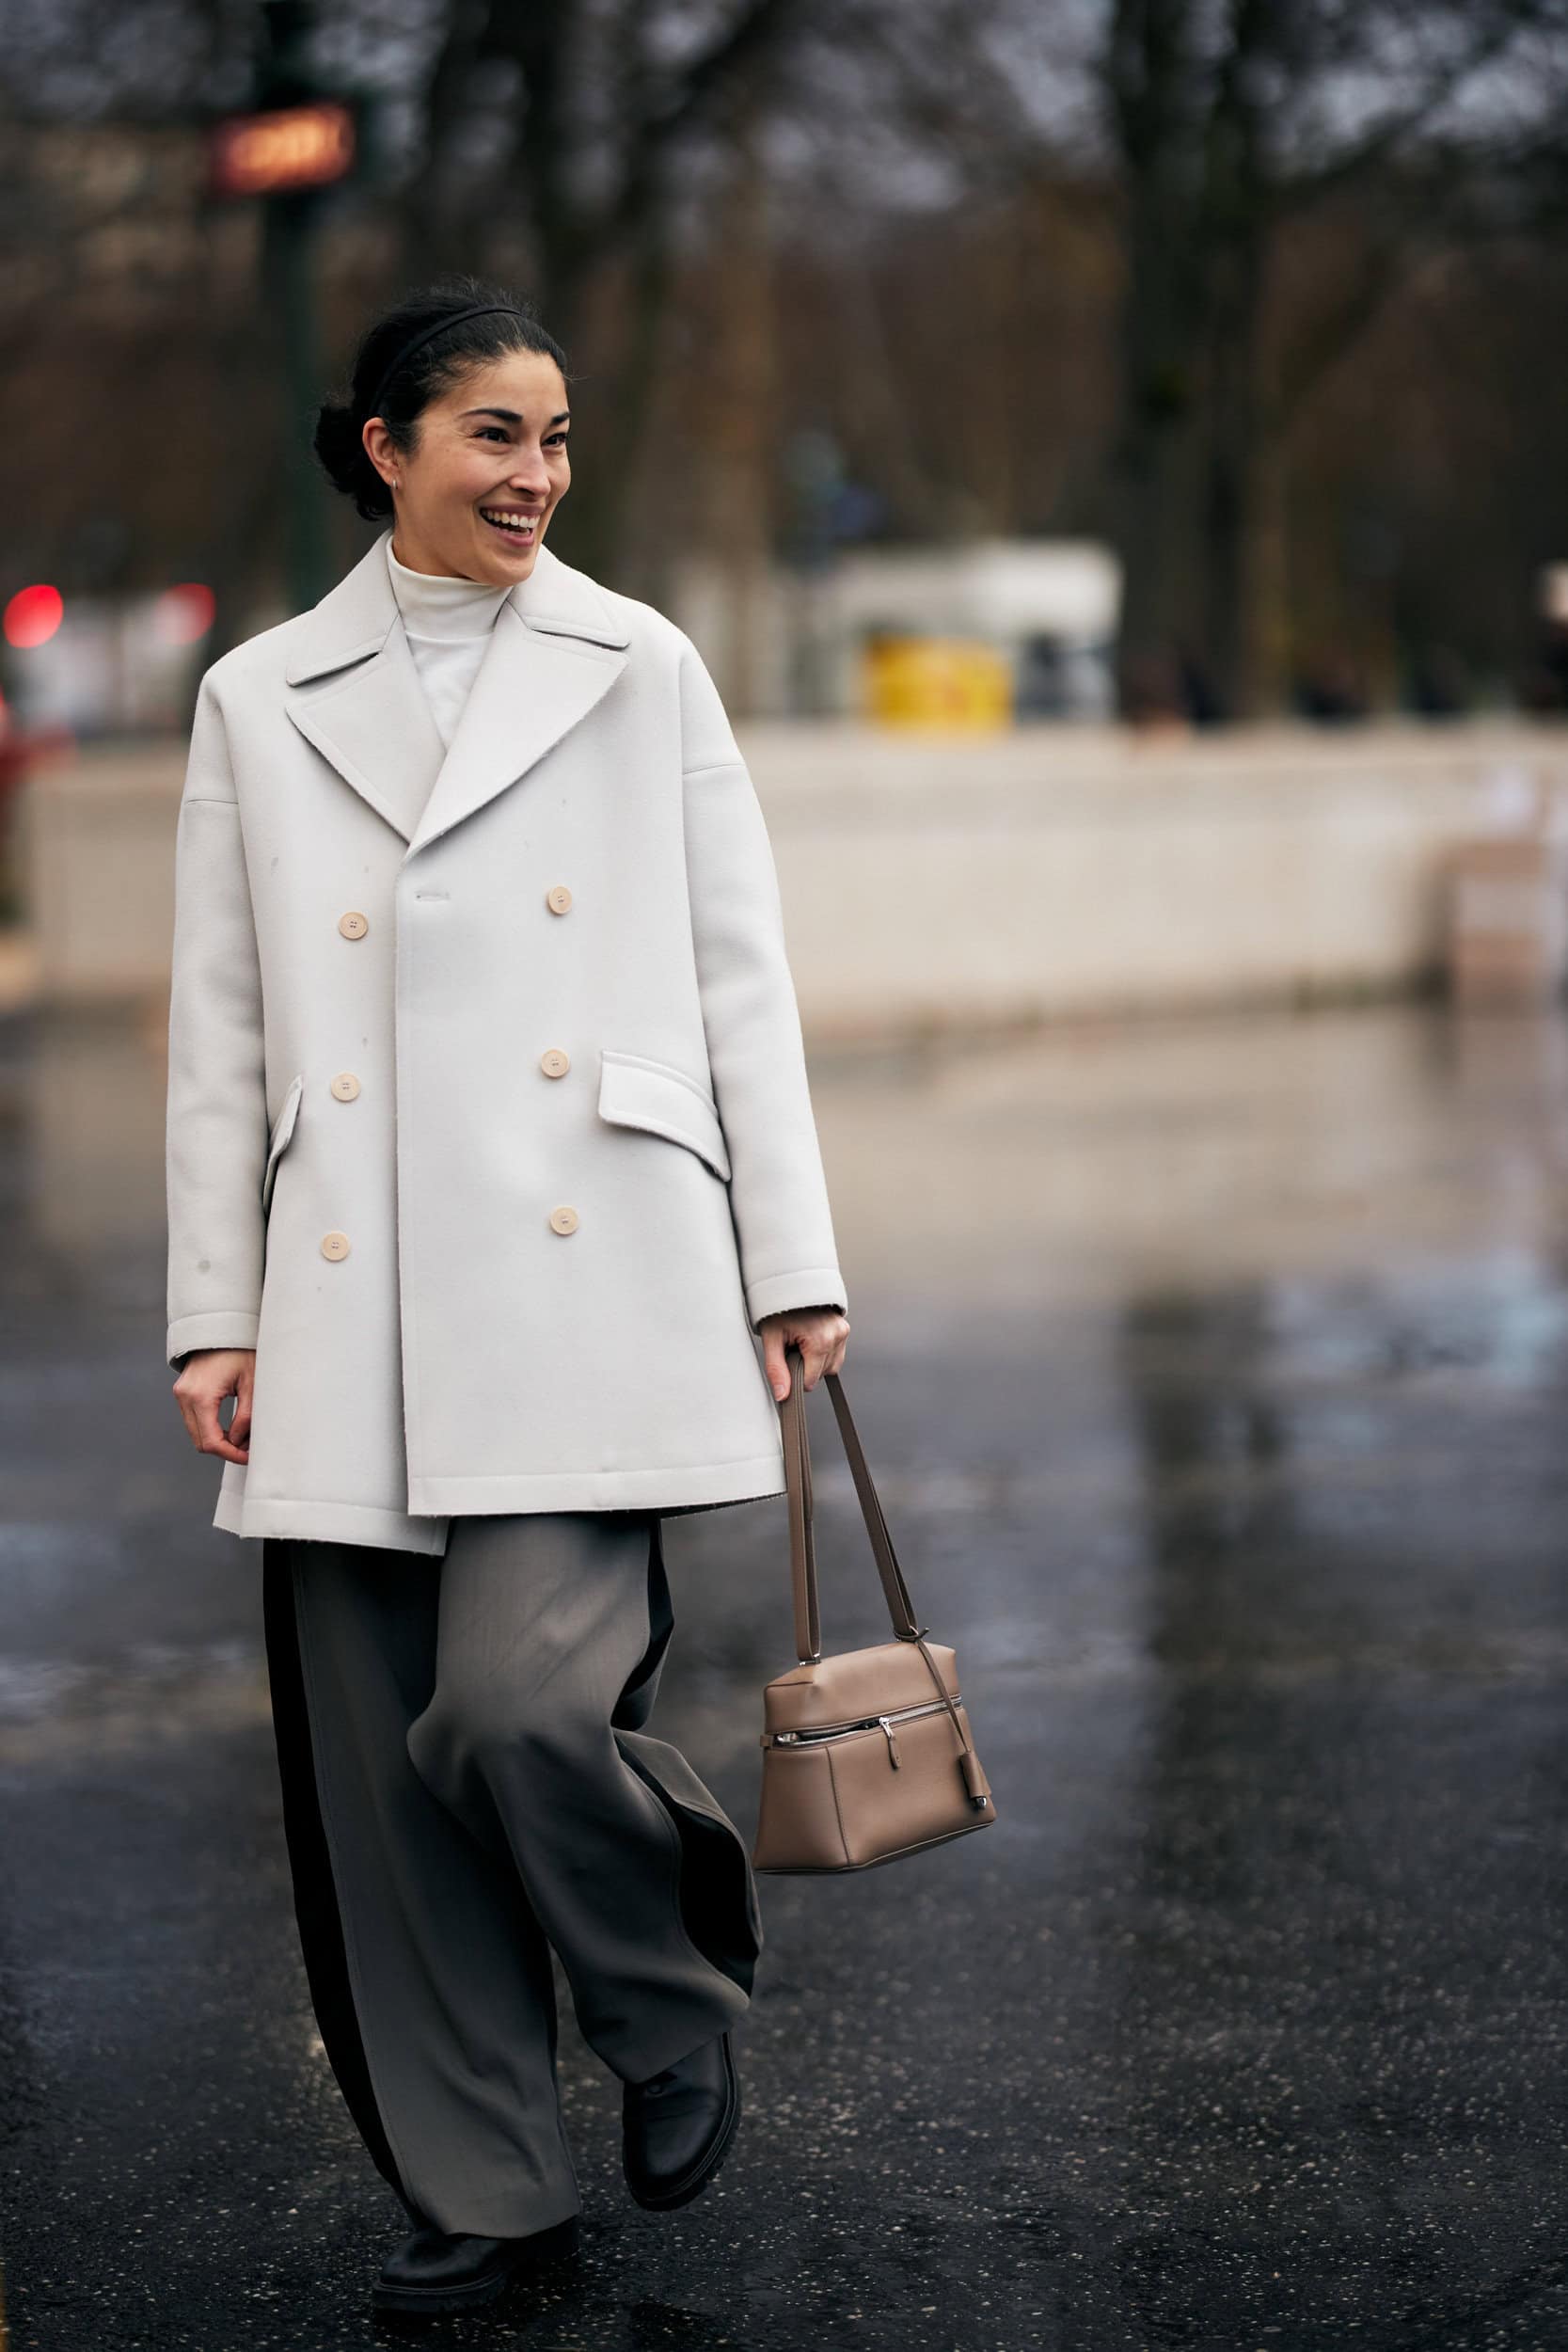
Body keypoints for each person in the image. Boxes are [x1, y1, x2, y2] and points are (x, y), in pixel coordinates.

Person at [165, 277, 850, 2319]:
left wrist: (791, 1253)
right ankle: (490, 2197)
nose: (536, 475)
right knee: (387, 1790)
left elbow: (743, 974)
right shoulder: (259, 694)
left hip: (594, 1246)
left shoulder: (640, 664)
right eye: (493, 434)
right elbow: (221, 1022)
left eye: (555, 438)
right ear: (387, 447)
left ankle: (660, 1997)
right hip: (351, 1270)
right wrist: (219, 1305)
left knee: (523, 1703)